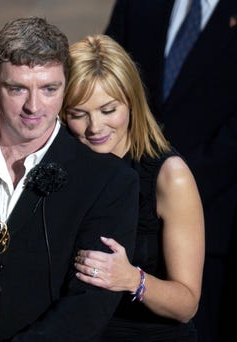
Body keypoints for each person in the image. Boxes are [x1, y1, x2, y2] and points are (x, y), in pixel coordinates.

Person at [0, 16, 140, 341]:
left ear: (65, 86)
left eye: (49, 89)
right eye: (17, 88)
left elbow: (88, 306)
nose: (34, 106)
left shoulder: (110, 182)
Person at [104, 1, 237, 340]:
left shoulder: (174, 177)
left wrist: (175, 183)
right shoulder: (140, 5)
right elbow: (102, 77)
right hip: (125, 214)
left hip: (217, 214)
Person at [64, 34, 204, 341]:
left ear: (131, 102)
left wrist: (133, 279)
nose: (95, 127)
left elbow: (187, 304)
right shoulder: (63, 163)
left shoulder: (171, 176)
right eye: (78, 114)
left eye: (108, 110)